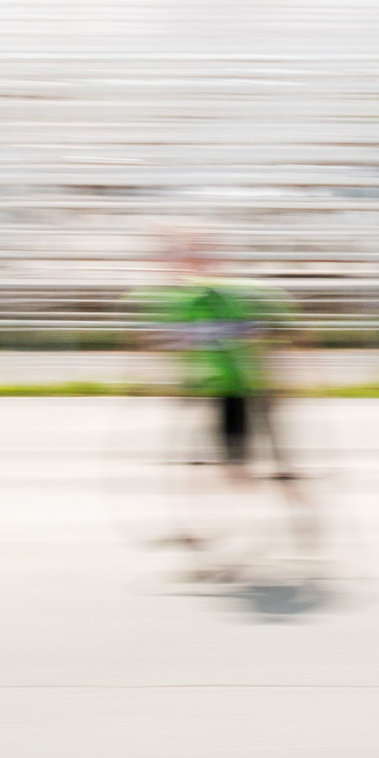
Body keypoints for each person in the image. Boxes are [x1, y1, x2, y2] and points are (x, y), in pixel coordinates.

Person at [130, 231, 314, 573]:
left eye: (190, 256)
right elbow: (174, 342)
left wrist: (285, 376)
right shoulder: (185, 300)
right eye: (179, 257)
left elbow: (278, 329)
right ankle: (209, 528)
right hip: (219, 391)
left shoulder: (233, 294)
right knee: (213, 466)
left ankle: (285, 510)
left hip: (246, 391)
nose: (179, 264)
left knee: (236, 470)